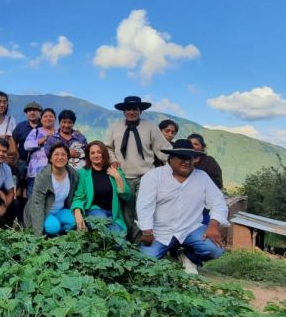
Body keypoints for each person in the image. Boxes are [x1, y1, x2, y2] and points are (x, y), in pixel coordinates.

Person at [137, 139, 229, 274]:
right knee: (145, 263)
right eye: (182, 157)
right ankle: (170, 256)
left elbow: (218, 202)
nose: (187, 161)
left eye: (190, 158)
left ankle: (189, 257)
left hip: (190, 228)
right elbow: (144, 205)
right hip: (160, 232)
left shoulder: (202, 177)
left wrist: (213, 226)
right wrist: (147, 231)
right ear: (171, 158)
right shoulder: (153, 177)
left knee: (214, 250)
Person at [105, 96, 171, 242]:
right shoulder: (115, 127)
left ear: (140, 111)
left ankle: (139, 244)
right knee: (126, 211)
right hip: (123, 176)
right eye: (129, 109)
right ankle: (127, 242)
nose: (132, 112)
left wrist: (176, 161)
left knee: (142, 210)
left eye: (135, 109)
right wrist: (113, 159)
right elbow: (108, 147)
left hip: (145, 176)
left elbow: (162, 147)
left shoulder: (150, 127)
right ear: (124, 111)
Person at [71, 141, 132, 234]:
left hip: (113, 214)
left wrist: (118, 177)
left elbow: (127, 197)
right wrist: (77, 212)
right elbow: (79, 197)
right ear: (88, 156)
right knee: (101, 224)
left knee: (117, 240)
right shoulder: (83, 173)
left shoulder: (115, 170)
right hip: (95, 211)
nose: (96, 155)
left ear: (104, 153)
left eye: (99, 152)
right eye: (92, 153)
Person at [24, 142, 80, 236]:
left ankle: (60, 232)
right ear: (50, 158)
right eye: (56, 154)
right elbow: (37, 205)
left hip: (60, 210)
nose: (60, 157)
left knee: (73, 222)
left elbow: (74, 197)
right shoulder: (43, 176)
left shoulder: (73, 174)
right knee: (53, 228)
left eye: (63, 154)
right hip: (45, 211)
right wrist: (38, 236)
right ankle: (51, 230)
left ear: (68, 158)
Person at [24, 108, 56, 196]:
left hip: (54, 172)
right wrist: (43, 140)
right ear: (41, 119)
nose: (48, 118)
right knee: (32, 200)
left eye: (51, 116)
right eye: (45, 116)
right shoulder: (36, 131)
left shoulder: (59, 133)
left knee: (50, 199)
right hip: (35, 172)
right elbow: (26, 145)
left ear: (55, 119)